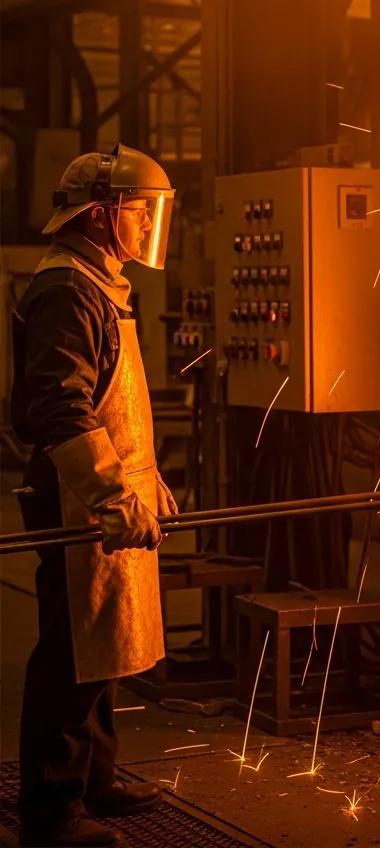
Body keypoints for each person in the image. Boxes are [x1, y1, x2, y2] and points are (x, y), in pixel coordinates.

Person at [11, 145, 178, 847]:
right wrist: (111, 492)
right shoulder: (66, 290)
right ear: (104, 214)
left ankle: (95, 778)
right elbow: (57, 407)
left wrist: (148, 477)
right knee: (72, 650)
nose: (146, 225)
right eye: (140, 212)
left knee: (104, 639)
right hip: (76, 494)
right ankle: (51, 809)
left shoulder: (98, 280)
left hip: (109, 489)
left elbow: (118, 403)